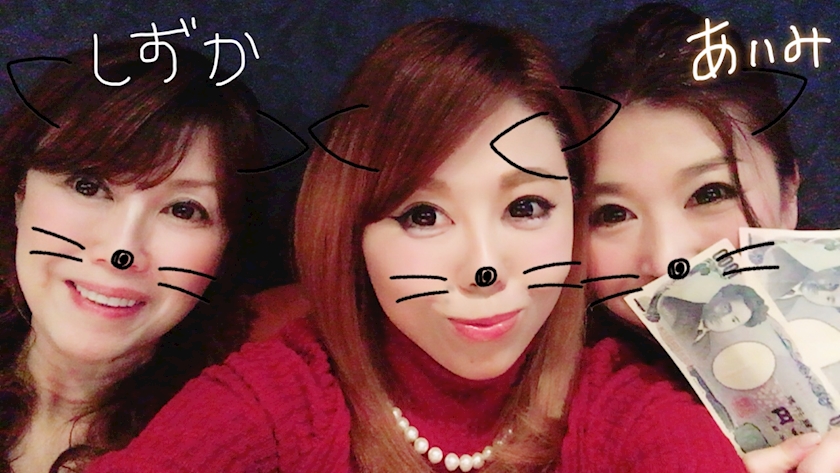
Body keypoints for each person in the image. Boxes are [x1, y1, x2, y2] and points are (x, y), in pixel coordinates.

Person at [83, 18, 747, 473]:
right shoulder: (280, 399)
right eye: (423, 214)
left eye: (525, 207)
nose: (483, 266)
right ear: (353, 232)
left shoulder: (622, 405)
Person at [571, 2, 840, 471]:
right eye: (612, 213)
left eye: (710, 193)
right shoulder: (568, 412)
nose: (667, 258)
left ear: (789, 193)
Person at [0, 39, 265, 472]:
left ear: (226, 248)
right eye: (88, 186)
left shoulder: (235, 442)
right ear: (20, 193)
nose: (121, 250)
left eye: (183, 210)